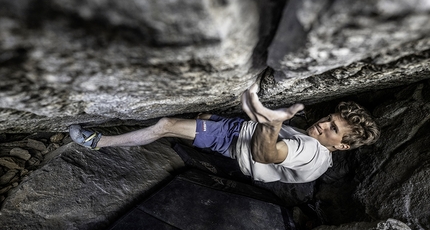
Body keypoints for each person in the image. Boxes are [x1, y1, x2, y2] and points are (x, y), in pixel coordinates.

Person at [69, 82, 380, 183]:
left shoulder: (311, 152)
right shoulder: (320, 151)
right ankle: (200, 128)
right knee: (203, 116)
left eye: (332, 128)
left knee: (166, 125)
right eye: (328, 118)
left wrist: (270, 124)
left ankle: (98, 142)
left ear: (341, 146)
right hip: (237, 131)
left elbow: (266, 153)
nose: (323, 124)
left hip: (233, 141)